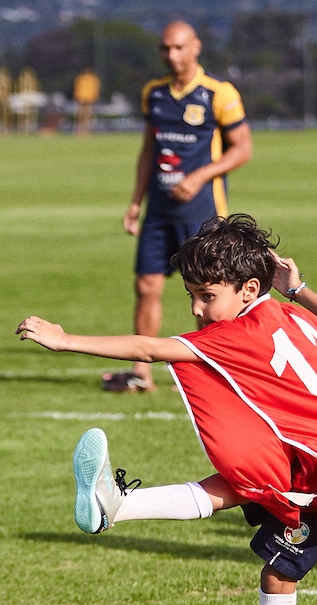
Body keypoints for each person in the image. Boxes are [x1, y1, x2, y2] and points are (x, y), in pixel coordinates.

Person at [17, 215, 317, 605]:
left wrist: (66, 339)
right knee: (239, 480)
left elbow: (148, 348)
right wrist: (298, 290)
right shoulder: (288, 317)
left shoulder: (235, 335)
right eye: (191, 295)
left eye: (207, 295)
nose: (197, 309)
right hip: (309, 453)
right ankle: (115, 506)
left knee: (279, 571)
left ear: (249, 289)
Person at [106, 20, 252, 393]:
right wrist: (135, 202)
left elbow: (242, 149)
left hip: (202, 212)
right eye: (165, 49)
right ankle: (142, 373)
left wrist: (200, 176)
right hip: (159, 211)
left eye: (179, 47)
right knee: (146, 286)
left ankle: (215, 369)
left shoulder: (218, 93)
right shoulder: (153, 94)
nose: (172, 55)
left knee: (210, 292)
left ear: (196, 47)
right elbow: (148, 151)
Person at [73, 67, 101, 136]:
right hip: (82, 98)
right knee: (81, 115)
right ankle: (79, 130)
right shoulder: (81, 79)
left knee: (87, 115)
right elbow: (77, 88)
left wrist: (94, 97)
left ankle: (87, 130)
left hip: (89, 99)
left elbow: (95, 89)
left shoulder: (92, 79)